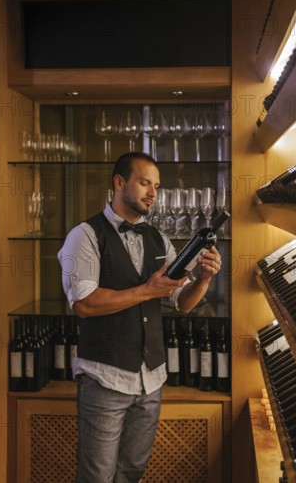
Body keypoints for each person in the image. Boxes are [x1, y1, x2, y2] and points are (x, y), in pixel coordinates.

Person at [58, 151, 222, 483]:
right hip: (104, 378)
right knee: (97, 476)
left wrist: (204, 278)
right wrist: (147, 290)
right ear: (118, 183)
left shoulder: (158, 239)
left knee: (132, 473)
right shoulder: (84, 236)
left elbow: (182, 301)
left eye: (157, 186)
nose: (153, 193)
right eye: (144, 182)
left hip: (151, 380)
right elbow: (85, 304)